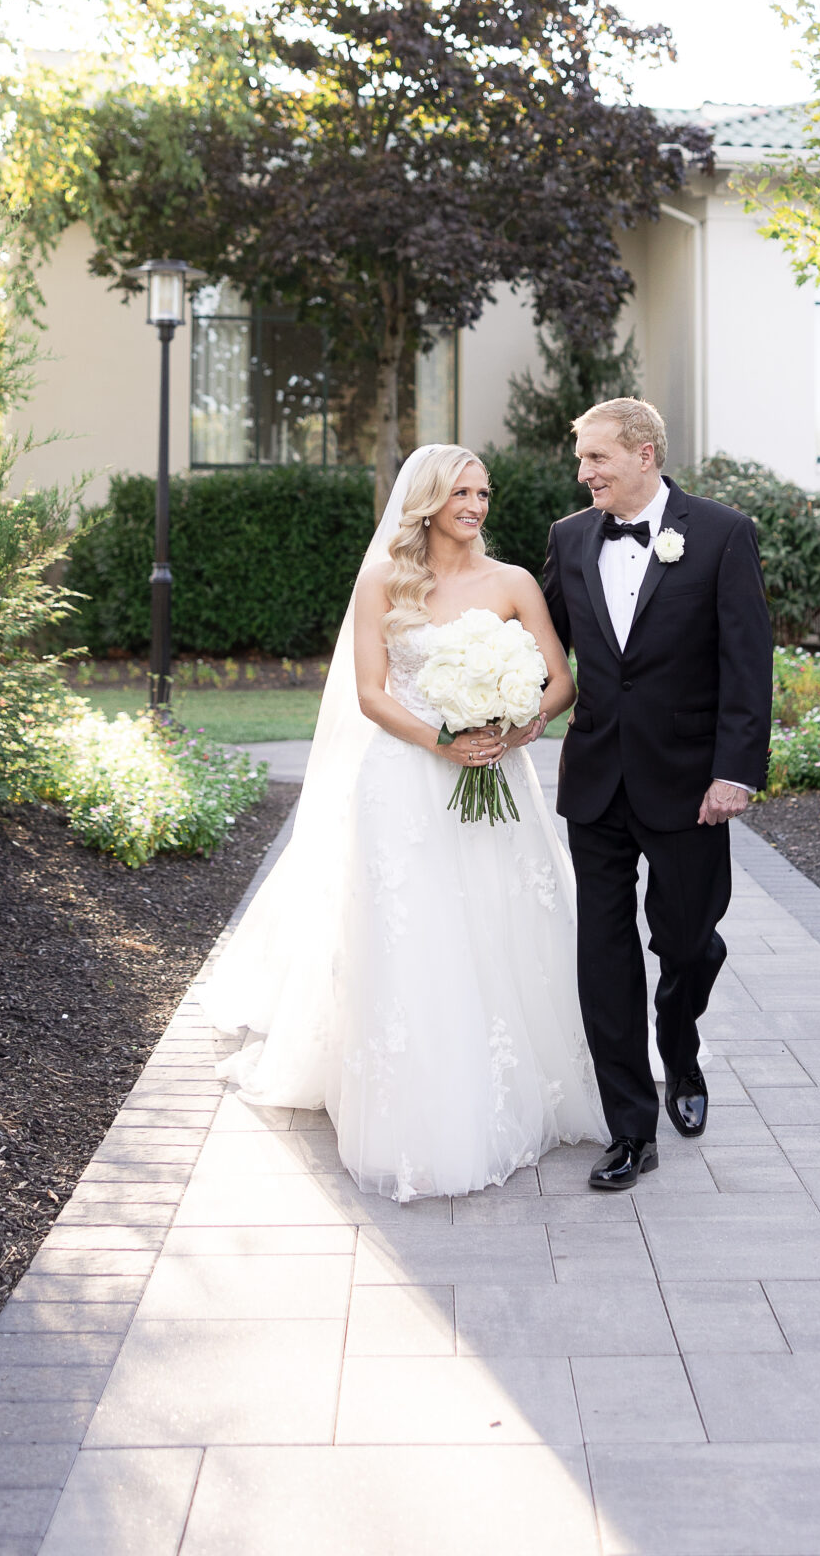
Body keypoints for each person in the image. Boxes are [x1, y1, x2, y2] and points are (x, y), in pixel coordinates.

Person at [200, 444, 606, 1200]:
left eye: (483, 493)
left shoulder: (513, 582)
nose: (476, 506)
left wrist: (515, 728)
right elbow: (371, 692)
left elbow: (560, 680)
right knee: (413, 932)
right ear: (426, 500)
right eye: (461, 492)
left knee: (500, 921)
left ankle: (518, 1083)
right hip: (406, 780)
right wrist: (440, 742)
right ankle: (415, 1104)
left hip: (494, 772)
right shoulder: (383, 581)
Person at [543, 398, 773, 1191]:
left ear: (643, 454)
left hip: (690, 787)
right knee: (602, 955)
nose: (584, 475)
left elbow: (747, 661)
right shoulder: (569, 538)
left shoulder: (721, 533)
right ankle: (628, 1130)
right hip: (596, 782)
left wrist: (735, 771)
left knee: (685, 942)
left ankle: (681, 1048)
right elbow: (536, 644)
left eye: (596, 459)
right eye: (582, 462)